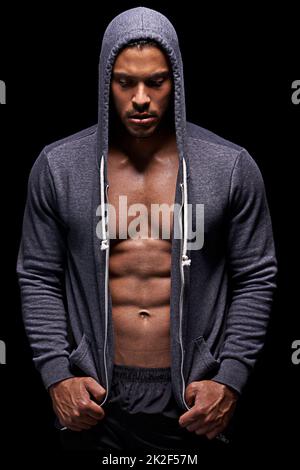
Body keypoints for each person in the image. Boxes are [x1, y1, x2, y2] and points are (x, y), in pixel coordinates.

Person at [16, 7, 277, 453]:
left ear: (175, 80)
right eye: (125, 82)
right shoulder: (58, 167)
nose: (141, 98)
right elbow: (37, 274)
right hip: (96, 397)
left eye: (155, 82)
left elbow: (257, 275)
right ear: (105, 82)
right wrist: (57, 374)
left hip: (197, 396)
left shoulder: (230, 167)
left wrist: (230, 380)